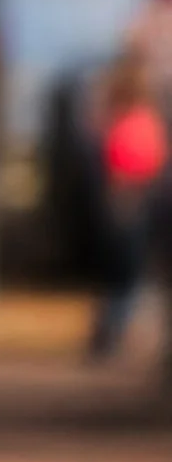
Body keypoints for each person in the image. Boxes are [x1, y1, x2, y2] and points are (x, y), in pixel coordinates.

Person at [86, 48, 169, 359]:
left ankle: (110, 336)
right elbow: (131, 165)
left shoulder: (126, 120)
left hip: (137, 200)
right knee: (127, 277)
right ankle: (109, 337)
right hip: (131, 200)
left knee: (126, 277)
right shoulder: (132, 121)